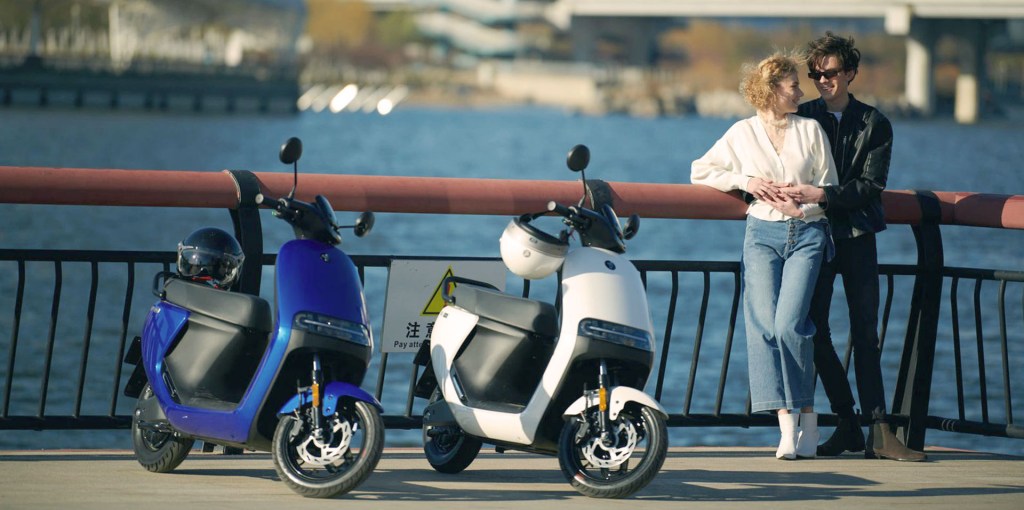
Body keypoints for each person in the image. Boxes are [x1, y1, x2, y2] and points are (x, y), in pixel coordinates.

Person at [781, 32, 927, 461]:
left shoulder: (875, 122)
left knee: (866, 334)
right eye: (814, 74)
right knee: (814, 331)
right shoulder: (801, 116)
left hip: (859, 236)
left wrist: (823, 195)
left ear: (849, 73)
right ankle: (846, 421)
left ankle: (879, 431)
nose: (820, 81)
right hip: (811, 236)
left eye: (828, 73)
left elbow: (871, 185)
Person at [691, 52, 838, 460]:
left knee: (791, 324)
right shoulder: (742, 133)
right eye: (793, 84)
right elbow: (700, 170)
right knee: (762, 327)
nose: (800, 91)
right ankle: (785, 428)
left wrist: (805, 208)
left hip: (808, 233)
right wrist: (747, 181)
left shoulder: (810, 130)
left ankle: (807, 413)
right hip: (761, 234)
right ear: (773, 89)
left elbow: (828, 186)